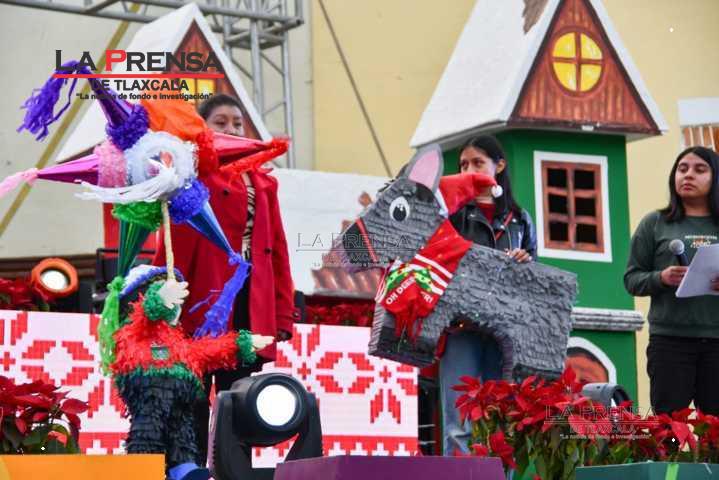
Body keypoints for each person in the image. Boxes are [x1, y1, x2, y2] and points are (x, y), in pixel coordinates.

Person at [153, 93, 298, 465]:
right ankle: (188, 471)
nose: (231, 129)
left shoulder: (263, 182)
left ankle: (236, 472)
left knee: (241, 400)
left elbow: (277, 249)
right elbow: (171, 241)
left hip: (250, 299)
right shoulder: (190, 173)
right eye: (221, 123)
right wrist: (161, 298)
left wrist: (282, 313)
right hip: (202, 299)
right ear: (203, 129)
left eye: (237, 123)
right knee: (192, 397)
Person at [439, 135, 537, 455]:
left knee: (502, 421)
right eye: (463, 165)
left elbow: (536, 279)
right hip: (460, 329)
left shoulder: (520, 220)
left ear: (500, 166)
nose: (469, 170)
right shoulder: (450, 214)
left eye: (478, 163)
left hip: (504, 334)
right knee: (458, 424)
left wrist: (525, 262)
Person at [624, 146, 719, 416]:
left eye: (699, 170)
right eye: (682, 169)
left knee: (715, 427)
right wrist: (661, 278)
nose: (688, 175)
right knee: (668, 426)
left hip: (717, 340)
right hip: (670, 341)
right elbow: (632, 279)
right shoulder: (655, 223)